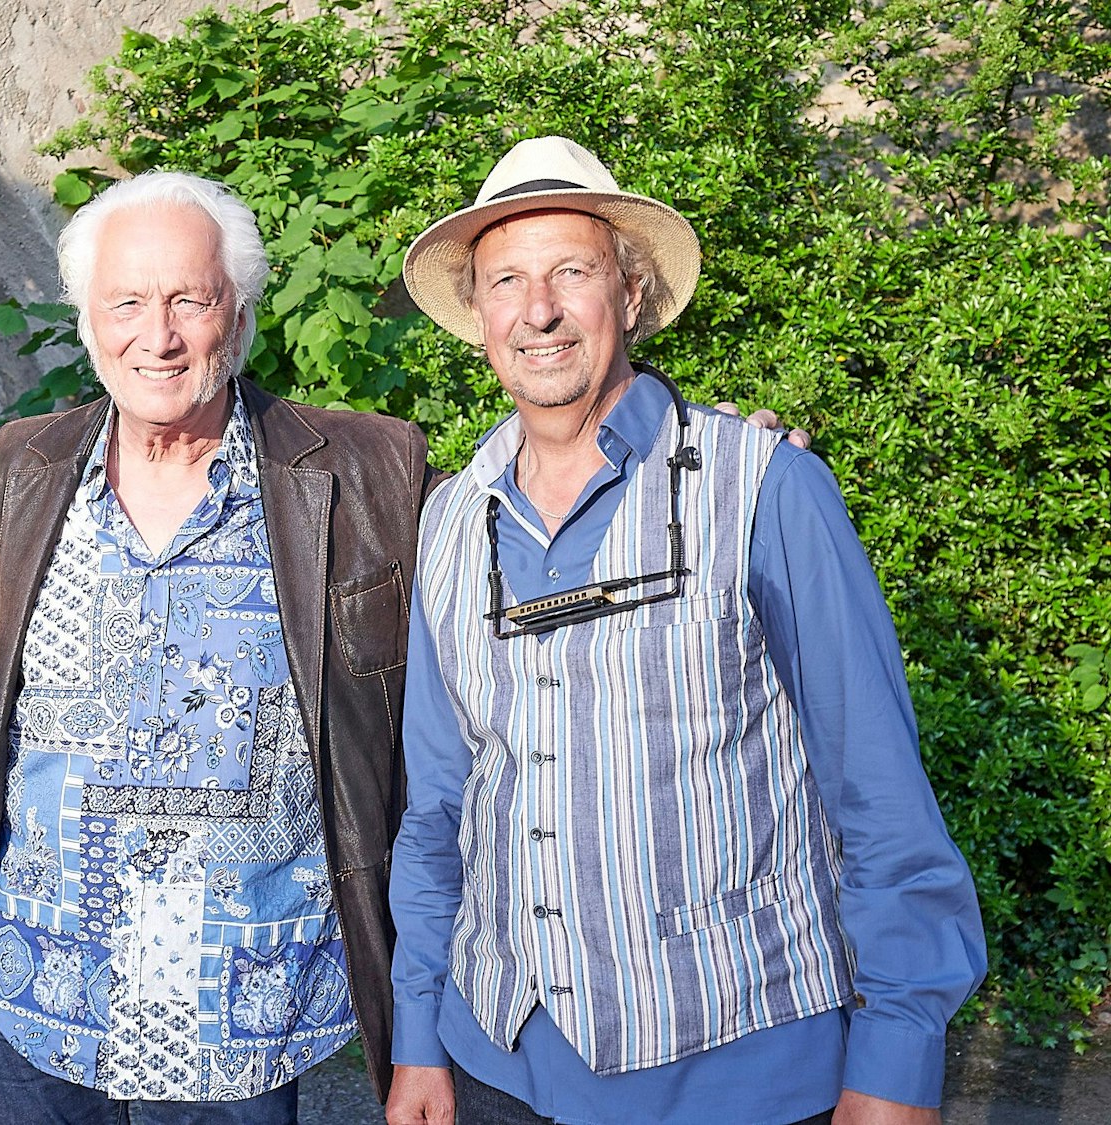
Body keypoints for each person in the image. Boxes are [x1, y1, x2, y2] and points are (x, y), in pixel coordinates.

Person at [0, 176, 806, 1125]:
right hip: (42, 1001)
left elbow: (527, 517)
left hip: (248, 1005)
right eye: (126, 304)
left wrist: (673, 452)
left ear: (235, 311)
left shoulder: (363, 472)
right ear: (86, 324)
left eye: (187, 300)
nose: (159, 336)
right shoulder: (17, 470)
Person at [384, 136, 985, 1125]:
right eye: (505, 282)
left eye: (569, 273)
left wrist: (896, 1058)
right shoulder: (450, 520)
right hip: (496, 1067)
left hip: (736, 1078)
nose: (536, 310)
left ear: (626, 296)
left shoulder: (767, 489)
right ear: (479, 317)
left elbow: (875, 795)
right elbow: (438, 806)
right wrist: (417, 1035)